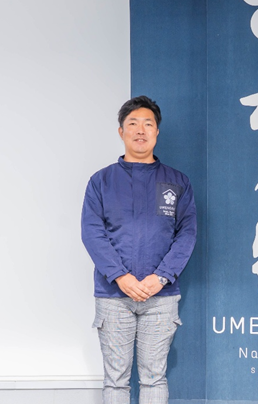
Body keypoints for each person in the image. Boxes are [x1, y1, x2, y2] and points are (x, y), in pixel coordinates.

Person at [82, 95, 197, 404]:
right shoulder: (101, 182)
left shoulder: (177, 182)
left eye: (148, 124)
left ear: (157, 132)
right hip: (113, 296)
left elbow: (187, 234)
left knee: (154, 377)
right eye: (132, 123)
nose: (140, 130)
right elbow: (92, 233)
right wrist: (121, 277)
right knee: (116, 381)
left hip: (161, 297)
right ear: (121, 131)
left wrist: (160, 278)